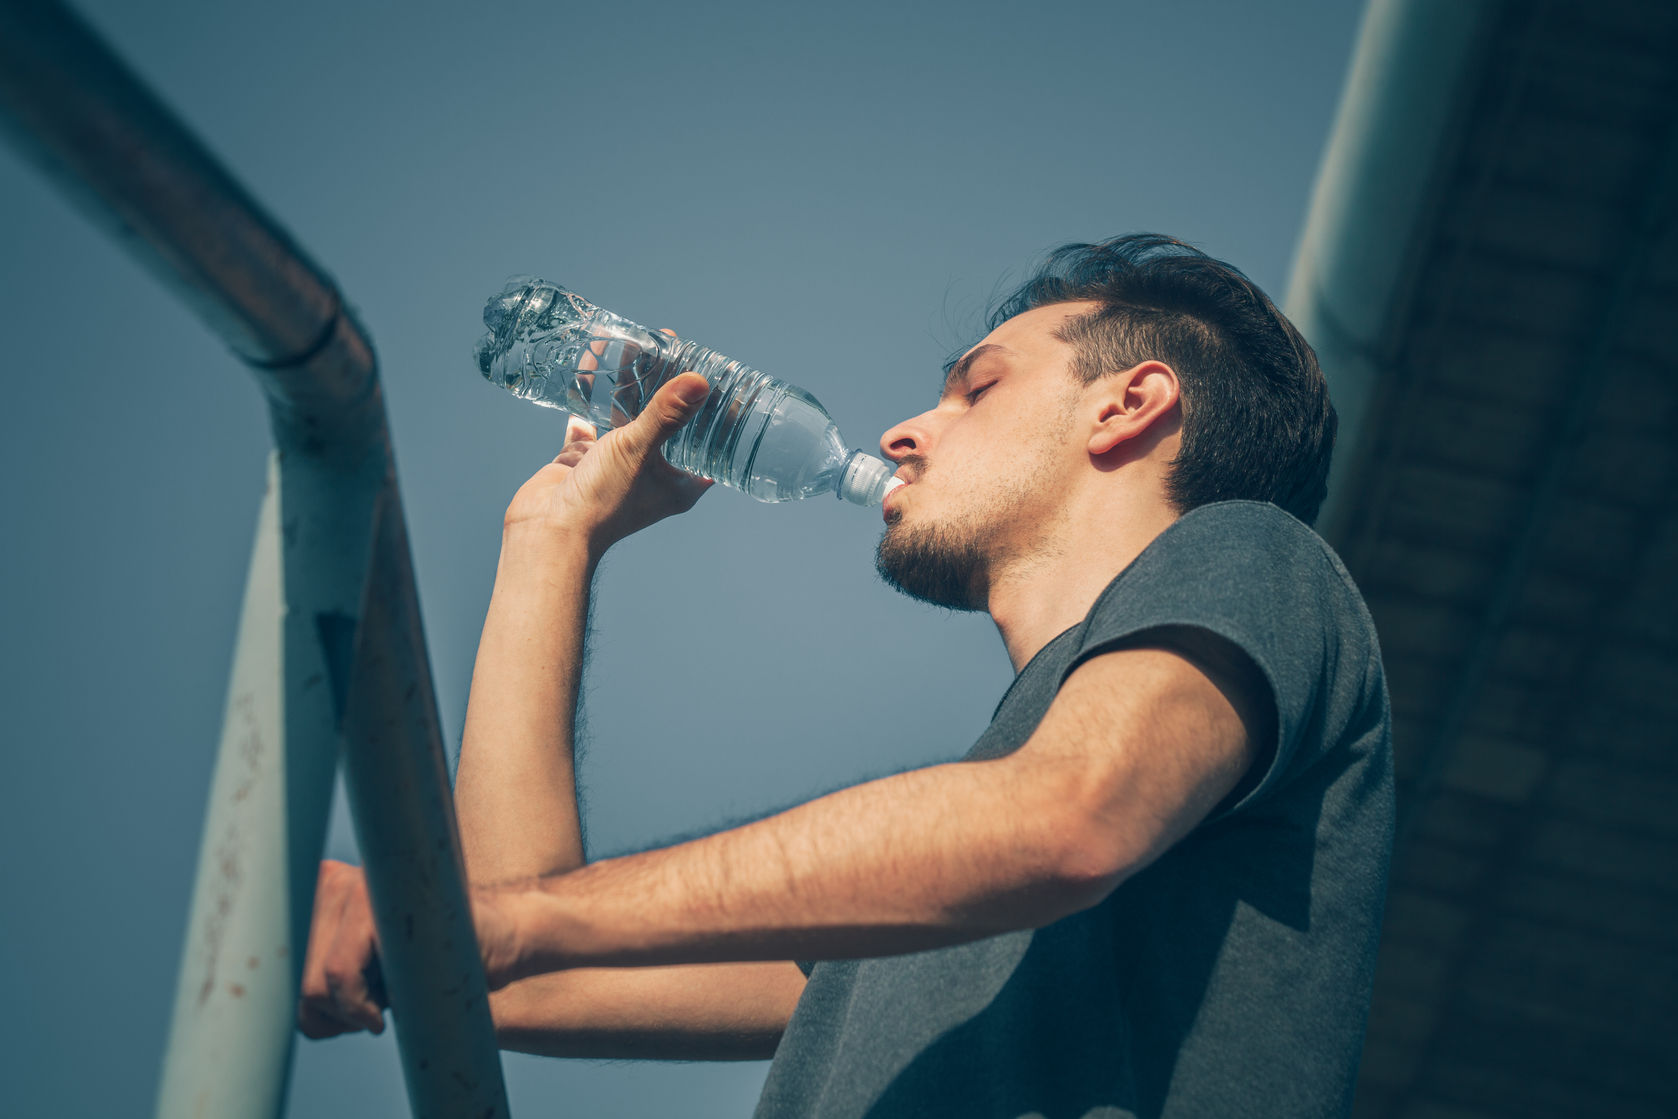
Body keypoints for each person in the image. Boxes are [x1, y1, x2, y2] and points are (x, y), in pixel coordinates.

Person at [298, 234, 1394, 1118]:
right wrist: (553, 539)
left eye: (975, 389)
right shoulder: (936, 896)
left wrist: (500, 925)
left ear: (1128, 404)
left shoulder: (1253, 557)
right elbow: (519, 976)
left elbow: (1067, 819)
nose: (904, 431)